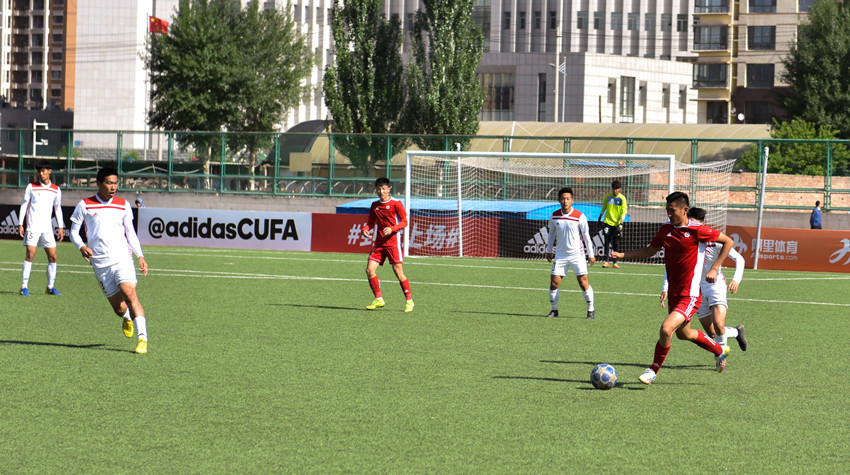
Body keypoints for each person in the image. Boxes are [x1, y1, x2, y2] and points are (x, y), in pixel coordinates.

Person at [611, 191, 733, 385]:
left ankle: (652, 370)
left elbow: (728, 241)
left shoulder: (697, 230)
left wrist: (715, 268)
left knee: (666, 329)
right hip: (675, 294)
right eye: (667, 210)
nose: (669, 214)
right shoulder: (666, 229)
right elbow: (650, 251)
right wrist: (623, 255)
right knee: (685, 334)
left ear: (685, 210)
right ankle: (720, 351)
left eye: (672, 210)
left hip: (690, 294)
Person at [69, 167, 150, 354]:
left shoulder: (123, 205)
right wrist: (81, 246)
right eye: (109, 183)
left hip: (122, 257)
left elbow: (130, 233)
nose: (113, 187)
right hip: (100, 262)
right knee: (119, 308)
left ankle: (142, 339)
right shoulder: (85, 205)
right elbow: (73, 232)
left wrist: (140, 255)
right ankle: (127, 318)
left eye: (115, 183)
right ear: (98, 184)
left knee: (129, 294)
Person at [661, 207, 748, 356]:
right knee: (713, 333)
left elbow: (739, 259)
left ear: (702, 224)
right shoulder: (686, 240)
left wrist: (736, 279)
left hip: (716, 286)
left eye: (695, 223)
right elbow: (674, 266)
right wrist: (665, 286)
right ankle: (736, 332)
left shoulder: (714, 239)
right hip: (696, 289)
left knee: (719, 324)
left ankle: (721, 360)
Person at [361, 177, 414, 313]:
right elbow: (370, 223)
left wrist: (392, 228)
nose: (381, 191)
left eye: (384, 189)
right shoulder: (375, 205)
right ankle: (378, 299)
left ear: (389, 189)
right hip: (379, 243)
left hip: (393, 243)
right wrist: (365, 229)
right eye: (379, 189)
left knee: (398, 272)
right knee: (369, 270)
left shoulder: (396, 203)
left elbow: (404, 222)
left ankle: (409, 301)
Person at [544, 187, 596, 319]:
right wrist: (549, 251)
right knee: (554, 283)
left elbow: (586, 236)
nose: (565, 201)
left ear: (572, 200)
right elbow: (551, 234)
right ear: (559, 200)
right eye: (563, 199)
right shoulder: (554, 216)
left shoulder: (579, 216)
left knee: (583, 283)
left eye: (568, 199)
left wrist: (591, 254)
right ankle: (554, 310)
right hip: (561, 255)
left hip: (577, 255)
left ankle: (590, 310)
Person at [18, 160, 64, 296]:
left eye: (44, 171)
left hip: (47, 229)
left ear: (50, 171)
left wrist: (61, 226)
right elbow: (24, 205)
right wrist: (20, 224)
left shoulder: (56, 189)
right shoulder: (31, 187)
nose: (41, 173)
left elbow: (58, 208)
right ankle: (24, 287)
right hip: (32, 227)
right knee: (30, 255)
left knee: (53, 257)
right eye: (39, 171)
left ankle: (50, 287)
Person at [598, 180, 627, 268]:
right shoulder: (608, 197)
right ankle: (606, 261)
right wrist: (600, 216)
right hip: (607, 222)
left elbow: (624, 211)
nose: (615, 190)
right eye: (614, 189)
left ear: (620, 189)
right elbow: (604, 207)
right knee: (607, 242)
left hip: (617, 224)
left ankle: (615, 262)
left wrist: (621, 223)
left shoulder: (622, 198)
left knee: (616, 243)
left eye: (617, 189)